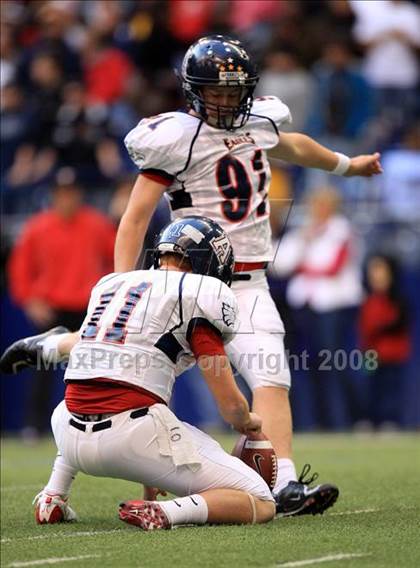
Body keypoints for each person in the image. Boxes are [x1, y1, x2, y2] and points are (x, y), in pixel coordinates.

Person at [115, 35, 382, 515]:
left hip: (251, 282)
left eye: (233, 90)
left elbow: (294, 146)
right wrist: (121, 284)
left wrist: (347, 166)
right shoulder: (176, 136)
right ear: (193, 90)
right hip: (189, 285)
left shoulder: (259, 122)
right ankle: (64, 477)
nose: (225, 99)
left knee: (272, 379)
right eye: (214, 90)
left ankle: (284, 486)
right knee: (139, 379)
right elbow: (135, 217)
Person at [0, 217, 276, 530]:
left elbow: (92, 347)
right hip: (130, 434)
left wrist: (49, 346)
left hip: (66, 429)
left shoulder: (114, 284)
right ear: (209, 262)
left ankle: (54, 495)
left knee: (86, 394)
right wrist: (248, 422)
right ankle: (169, 513)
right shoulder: (199, 293)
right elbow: (230, 405)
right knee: (261, 499)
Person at [7, 167, 116, 440]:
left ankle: (97, 424)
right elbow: (20, 269)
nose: (66, 198)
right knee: (42, 371)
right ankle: (34, 427)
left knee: (94, 367)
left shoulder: (97, 224)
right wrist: (30, 300)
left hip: (88, 308)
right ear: (54, 195)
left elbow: (116, 260)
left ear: (79, 194)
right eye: (61, 193)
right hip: (51, 308)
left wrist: (110, 297)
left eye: (71, 192)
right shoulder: (37, 227)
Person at [270, 186, 363, 430]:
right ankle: (318, 420)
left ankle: (342, 421)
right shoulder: (303, 231)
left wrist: (304, 268)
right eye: (315, 205)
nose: (318, 211)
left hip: (333, 307)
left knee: (334, 364)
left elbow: (334, 267)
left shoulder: (341, 230)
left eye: (323, 206)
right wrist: (304, 242)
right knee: (307, 367)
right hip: (305, 307)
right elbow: (280, 264)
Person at [359, 254, 412, 429]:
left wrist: (380, 328)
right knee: (372, 388)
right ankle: (371, 420)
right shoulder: (368, 299)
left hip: (392, 354)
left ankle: (391, 420)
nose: (376, 275)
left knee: (391, 389)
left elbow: (399, 323)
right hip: (372, 354)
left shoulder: (398, 299)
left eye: (380, 269)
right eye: (373, 270)